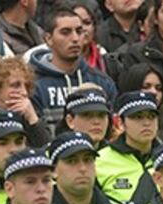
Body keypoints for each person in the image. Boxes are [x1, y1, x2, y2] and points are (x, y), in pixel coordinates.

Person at [31, 6, 118, 136]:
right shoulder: (34, 85)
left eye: (79, 31)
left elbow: (113, 132)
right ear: (48, 39)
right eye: (66, 32)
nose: (75, 38)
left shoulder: (102, 82)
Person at [97, 91, 160, 204]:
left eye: (152, 117)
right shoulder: (100, 160)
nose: (146, 123)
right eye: (138, 117)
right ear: (121, 123)